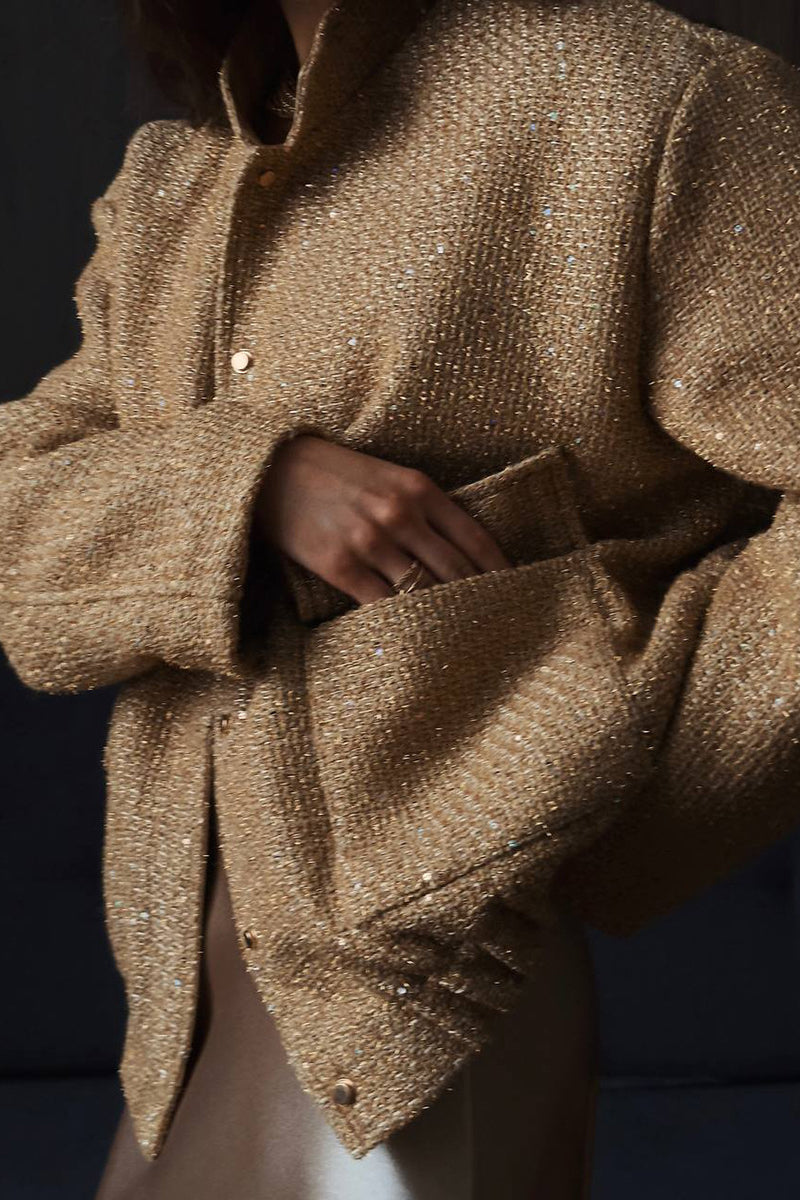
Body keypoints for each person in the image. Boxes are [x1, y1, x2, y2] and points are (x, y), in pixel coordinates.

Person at [2, 0, 798, 1196]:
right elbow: (17, 512)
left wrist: (567, 771)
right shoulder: (175, 183)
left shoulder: (651, 101)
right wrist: (252, 486)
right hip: (179, 1015)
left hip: (414, 1022)